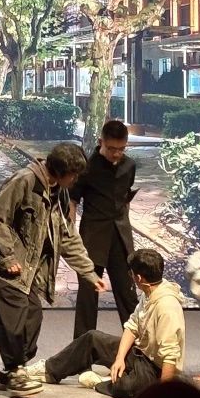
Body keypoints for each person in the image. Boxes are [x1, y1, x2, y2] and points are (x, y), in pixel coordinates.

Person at [0, 142, 106, 398]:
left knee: (32, 316)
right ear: (61, 171)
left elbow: (67, 236)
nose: (75, 180)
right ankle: (16, 372)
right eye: (73, 175)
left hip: (25, 264)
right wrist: (7, 257)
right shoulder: (24, 181)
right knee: (14, 320)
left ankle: (12, 369)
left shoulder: (60, 192)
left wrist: (89, 273)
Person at [25, 249, 185, 398]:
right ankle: (49, 370)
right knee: (92, 338)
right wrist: (120, 358)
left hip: (157, 370)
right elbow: (132, 327)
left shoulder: (167, 307)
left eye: (131, 273)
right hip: (140, 355)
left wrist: (162, 397)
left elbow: (170, 356)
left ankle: (104, 382)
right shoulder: (149, 292)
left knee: (127, 387)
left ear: (139, 278)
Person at [69, 120, 139, 339]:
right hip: (93, 237)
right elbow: (73, 200)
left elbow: (126, 197)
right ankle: (82, 347)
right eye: (111, 149)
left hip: (120, 237)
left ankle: (137, 346)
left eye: (121, 149)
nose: (116, 154)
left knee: (127, 294)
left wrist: (125, 223)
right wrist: (70, 231)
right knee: (88, 295)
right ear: (101, 142)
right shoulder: (87, 168)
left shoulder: (130, 165)